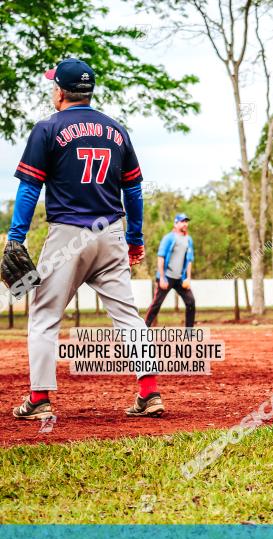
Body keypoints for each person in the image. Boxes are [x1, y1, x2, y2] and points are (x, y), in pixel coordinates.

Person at [6, 58, 164, 420]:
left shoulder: (46, 128)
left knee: (44, 316)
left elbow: (30, 189)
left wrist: (16, 238)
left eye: (53, 85)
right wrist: (136, 239)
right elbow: (134, 191)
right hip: (111, 234)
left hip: (68, 237)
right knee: (129, 317)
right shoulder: (117, 130)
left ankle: (40, 399)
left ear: (60, 91)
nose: (52, 90)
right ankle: (149, 392)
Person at [145, 213, 196, 328]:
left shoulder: (189, 240)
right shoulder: (169, 238)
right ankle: (143, 329)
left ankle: (189, 332)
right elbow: (161, 257)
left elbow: (189, 260)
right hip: (166, 277)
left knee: (191, 302)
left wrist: (188, 278)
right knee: (156, 304)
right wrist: (162, 278)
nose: (185, 224)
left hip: (180, 279)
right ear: (176, 223)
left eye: (186, 222)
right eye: (182, 221)